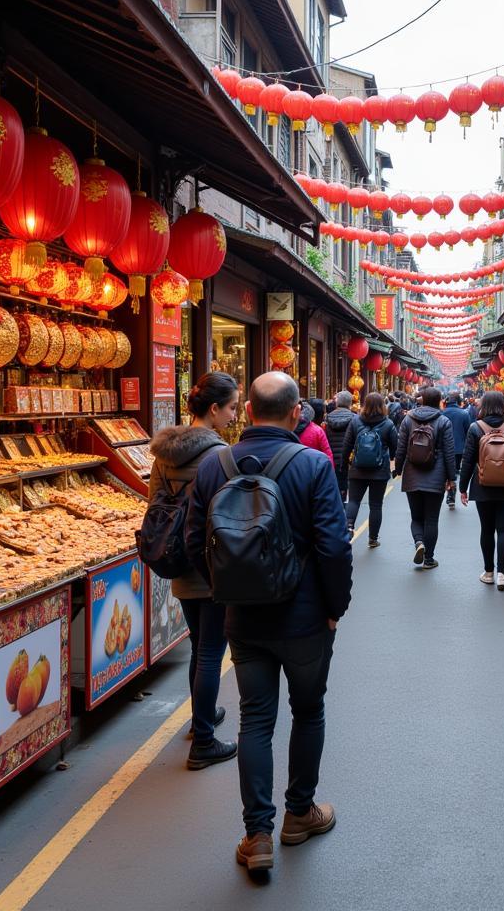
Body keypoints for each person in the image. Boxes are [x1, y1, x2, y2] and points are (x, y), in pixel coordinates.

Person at [185, 372, 353, 874]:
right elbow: (333, 546)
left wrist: (223, 589)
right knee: (308, 712)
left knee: (255, 719)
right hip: (304, 619)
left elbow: (194, 541)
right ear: (297, 413)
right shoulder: (313, 464)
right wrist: (334, 607)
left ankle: (257, 835)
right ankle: (299, 814)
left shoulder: (214, 465)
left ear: (249, 411)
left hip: (244, 617)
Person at [148, 372, 238, 771]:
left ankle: (201, 716)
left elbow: (153, 504)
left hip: (180, 561)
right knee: (209, 651)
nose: (234, 415)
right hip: (212, 563)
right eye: (232, 407)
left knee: (198, 645)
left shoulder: (164, 454)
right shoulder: (219, 456)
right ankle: (203, 739)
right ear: (214, 409)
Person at [459, 390, 504, 591]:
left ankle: (488, 572)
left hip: (482, 486)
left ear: (483, 406)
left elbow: (468, 461)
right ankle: (502, 575)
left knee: (487, 529)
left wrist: (463, 487)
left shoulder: (475, 428)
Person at [394, 386, 456, 570]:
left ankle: (418, 542)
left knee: (416, 517)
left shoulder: (408, 419)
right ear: (439, 401)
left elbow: (401, 447)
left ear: (421, 399)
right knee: (431, 519)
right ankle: (429, 559)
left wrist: (398, 469)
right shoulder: (444, 421)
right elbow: (449, 452)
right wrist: (451, 478)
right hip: (436, 473)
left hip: (412, 471)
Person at [341, 391, 398, 548]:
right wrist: (394, 464)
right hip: (379, 470)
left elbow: (347, 445)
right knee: (376, 505)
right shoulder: (388, 424)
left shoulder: (355, 421)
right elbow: (396, 447)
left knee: (353, 501)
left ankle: (349, 527)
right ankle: (373, 538)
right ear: (382, 406)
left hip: (357, 468)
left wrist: (344, 466)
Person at [441, 391, 471, 509]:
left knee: (447, 472)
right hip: (459, 449)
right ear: (459, 401)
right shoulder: (464, 414)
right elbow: (468, 432)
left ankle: (450, 494)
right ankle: (451, 494)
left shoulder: (441, 414)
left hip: (443, 448)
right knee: (454, 471)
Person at [324, 390, 357, 500]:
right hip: (349, 460)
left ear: (337, 403)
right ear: (350, 403)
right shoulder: (354, 419)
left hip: (332, 458)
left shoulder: (328, 418)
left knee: (336, 488)